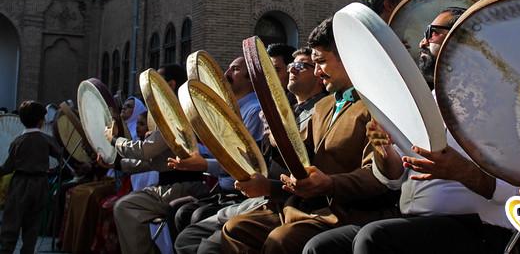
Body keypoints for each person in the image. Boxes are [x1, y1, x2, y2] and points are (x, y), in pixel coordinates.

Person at [302, 7, 516, 254]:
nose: (422, 41)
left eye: (433, 33)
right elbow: (393, 178)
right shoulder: (426, 101)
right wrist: (384, 153)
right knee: (321, 247)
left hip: (480, 228)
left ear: (466, 39)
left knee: (375, 239)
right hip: (415, 220)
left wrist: (462, 171)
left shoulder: (502, 105)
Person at [221, 17, 397, 254]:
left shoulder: (376, 107)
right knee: (236, 229)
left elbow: (378, 178)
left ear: (349, 57)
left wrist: (330, 184)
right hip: (302, 210)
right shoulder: (324, 106)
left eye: (321, 62)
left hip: (348, 214)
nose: (316, 72)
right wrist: (273, 142)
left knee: (281, 240)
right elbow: (301, 159)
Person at [173, 47, 327, 254]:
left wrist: (272, 137)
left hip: (282, 201)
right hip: (261, 195)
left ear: (318, 74)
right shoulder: (287, 111)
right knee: (187, 236)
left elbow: (299, 167)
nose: (292, 71)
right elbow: (258, 161)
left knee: (206, 239)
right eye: (291, 65)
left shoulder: (319, 112)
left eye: (301, 66)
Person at [112, 64, 210, 254]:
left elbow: (146, 151)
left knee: (125, 207)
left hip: (182, 186)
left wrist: (115, 141)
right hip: (173, 185)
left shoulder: (177, 114)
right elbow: (155, 160)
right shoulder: (172, 112)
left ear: (171, 84)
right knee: (125, 206)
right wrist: (118, 163)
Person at [167, 56, 265, 233]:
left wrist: (203, 164)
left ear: (250, 77)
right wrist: (193, 152)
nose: (226, 74)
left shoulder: (254, 111)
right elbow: (220, 152)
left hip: (242, 193)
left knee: (194, 215)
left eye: (234, 69)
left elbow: (245, 162)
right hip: (222, 188)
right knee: (178, 210)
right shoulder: (229, 110)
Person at [0, 101, 62, 254]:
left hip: (19, 185)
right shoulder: (46, 140)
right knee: (32, 226)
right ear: (41, 121)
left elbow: (8, 167)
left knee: (11, 223)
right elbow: (61, 156)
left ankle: (6, 250)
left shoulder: (17, 142)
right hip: (40, 184)